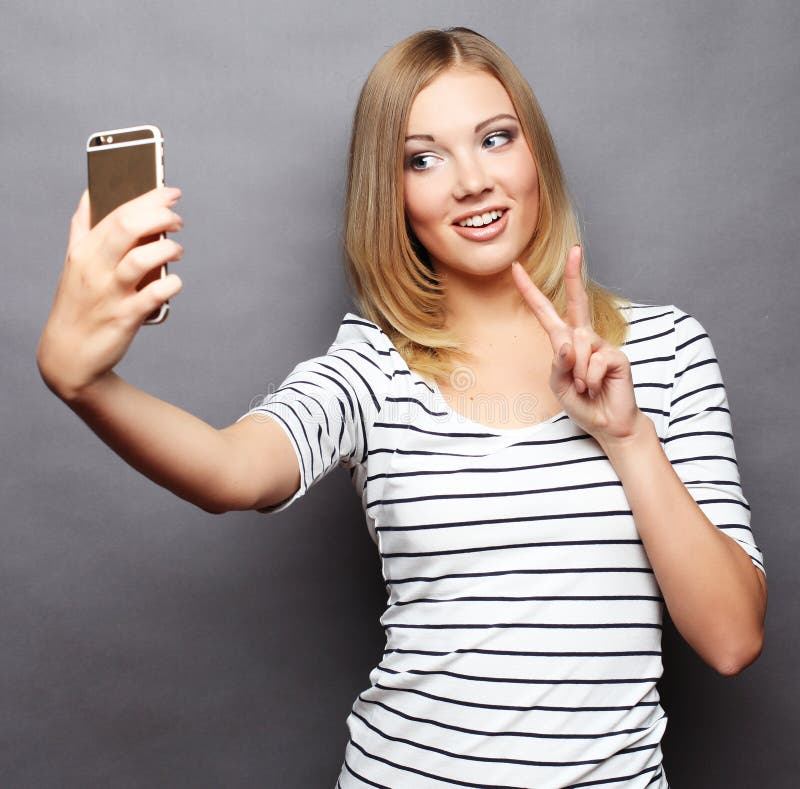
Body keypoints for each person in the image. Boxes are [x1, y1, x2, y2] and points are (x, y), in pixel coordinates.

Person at [37, 26, 766, 789]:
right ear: (394, 194)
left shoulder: (666, 347)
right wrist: (86, 385)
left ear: (535, 155)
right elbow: (232, 471)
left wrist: (627, 436)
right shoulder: (373, 364)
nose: (471, 180)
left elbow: (731, 639)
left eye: (495, 138)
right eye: (424, 158)